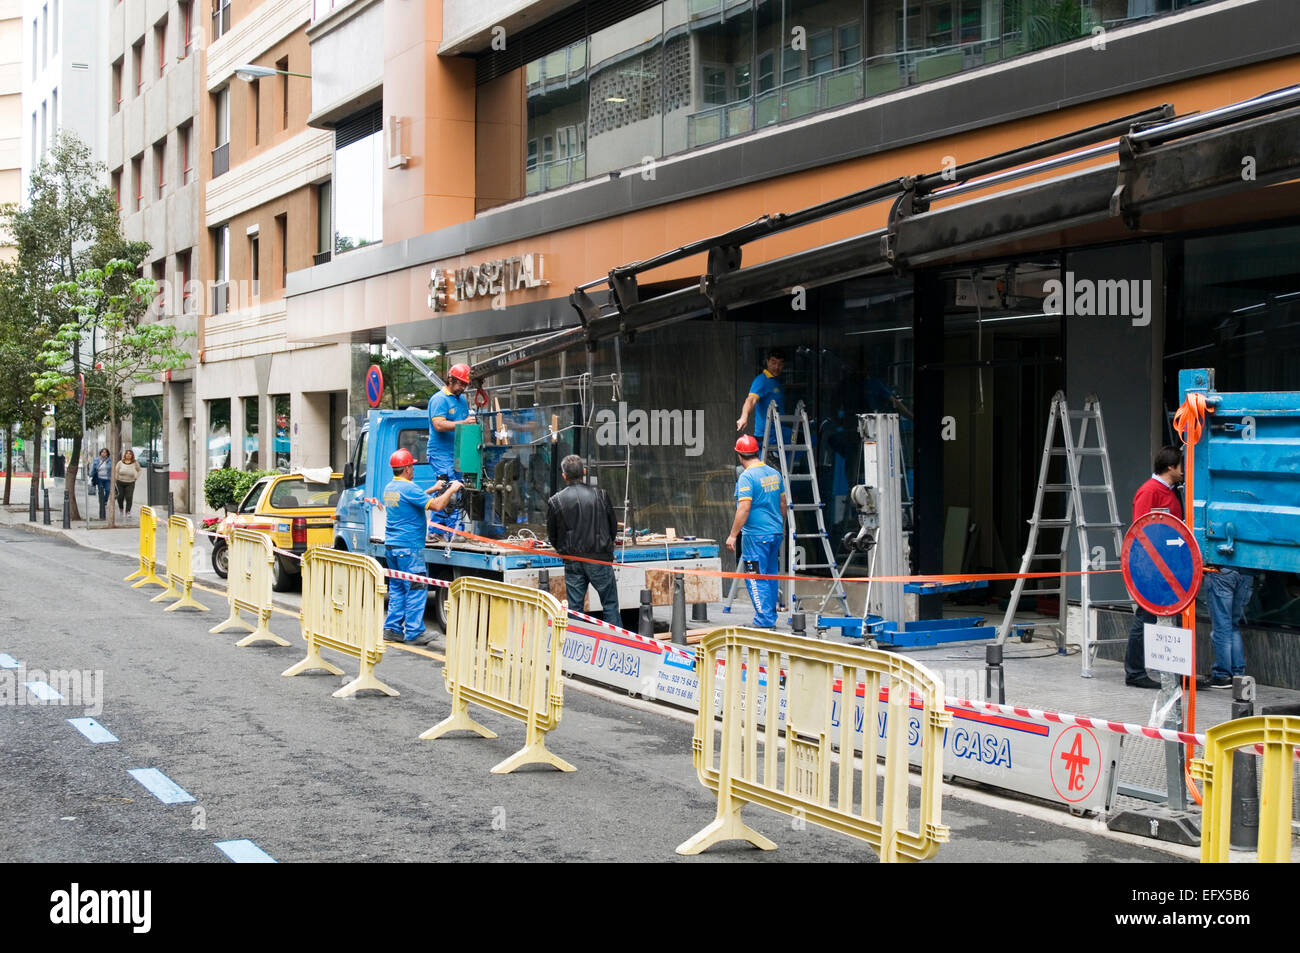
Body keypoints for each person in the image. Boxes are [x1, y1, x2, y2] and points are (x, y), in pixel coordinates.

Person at [381, 448, 461, 646]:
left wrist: (434, 489)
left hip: (392, 546)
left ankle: (392, 629)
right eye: (412, 466)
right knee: (417, 587)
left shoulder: (391, 488)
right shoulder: (408, 488)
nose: (413, 469)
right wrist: (452, 489)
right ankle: (415, 632)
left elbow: (413, 499)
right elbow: (435, 506)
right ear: (407, 468)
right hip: (408, 548)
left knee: (398, 587)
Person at [1124, 446, 1184, 689]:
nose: (1183, 471)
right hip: (1153, 568)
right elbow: (1142, 531)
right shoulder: (1149, 492)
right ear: (1170, 467)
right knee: (1145, 617)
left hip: (1168, 567)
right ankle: (1135, 672)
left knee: (1167, 617)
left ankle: (1172, 671)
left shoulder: (1169, 491)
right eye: (1180, 466)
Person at [546, 454, 621, 626]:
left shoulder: (556, 500)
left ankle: (578, 643)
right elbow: (612, 526)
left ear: (564, 476)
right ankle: (616, 644)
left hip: (573, 560)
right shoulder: (601, 495)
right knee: (609, 604)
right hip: (599, 558)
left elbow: (553, 535)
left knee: (575, 608)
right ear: (584, 472)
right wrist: (605, 547)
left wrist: (564, 551)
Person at [726, 434, 786, 629]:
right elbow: (783, 503)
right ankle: (769, 617)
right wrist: (779, 524)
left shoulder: (747, 477)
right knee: (769, 575)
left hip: (755, 536)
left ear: (739, 455)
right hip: (774, 534)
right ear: (756, 452)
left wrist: (733, 534)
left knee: (754, 577)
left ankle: (764, 621)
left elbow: (743, 508)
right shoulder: (774, 473)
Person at [427, 363, 476, 480]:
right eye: (461, 383)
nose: (463, 388)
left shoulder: (462, 400)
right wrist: (464, 423)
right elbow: (438, 425)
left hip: (458, 453)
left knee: (458, 488)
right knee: (448, 487)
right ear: (450, 380)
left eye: (466, 384)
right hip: (440, 453)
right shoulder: (439, 399)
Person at [1207, 566, 1254, 688]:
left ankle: (1222, 674)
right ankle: (1238, 673)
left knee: (1222, 624)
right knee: (1233, 624)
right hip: (1248, 572)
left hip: (1223, 569)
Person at [735, 347, 787, 445]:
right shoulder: (762, 380)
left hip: (779, 432)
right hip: (768, 435)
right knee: (811, 439)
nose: (777, 367)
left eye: (780, 364)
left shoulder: (776, 382)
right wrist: (744, 417)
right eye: (773, 362)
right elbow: (751, 399)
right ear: (767, 362)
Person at [114, 449, 143, 515]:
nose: (128, 455)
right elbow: (116, 470)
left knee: (129, 497)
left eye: (130, 454)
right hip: (120, 482)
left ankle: (128, 511)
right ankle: (121, 508)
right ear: (125, 455)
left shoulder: (135, 463)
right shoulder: (120, 462)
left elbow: (139, 470)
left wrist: (136, 477)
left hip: (130, 482)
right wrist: (116, 478)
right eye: (127, 453)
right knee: (120, 497)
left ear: (132, 455)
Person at [89, 448, 111, 519]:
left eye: (105, 452)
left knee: (108, 490)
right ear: (100, 453)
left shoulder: (110, 460)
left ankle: (105, 500)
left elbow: (112, 468)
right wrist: (90, 477)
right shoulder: (96, 460)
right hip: (99, 479)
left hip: (107, 479)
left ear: (107, 453)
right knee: (100, 491)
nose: (104, 453)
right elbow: (93, 469)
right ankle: (101, 502)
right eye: (102, 452)